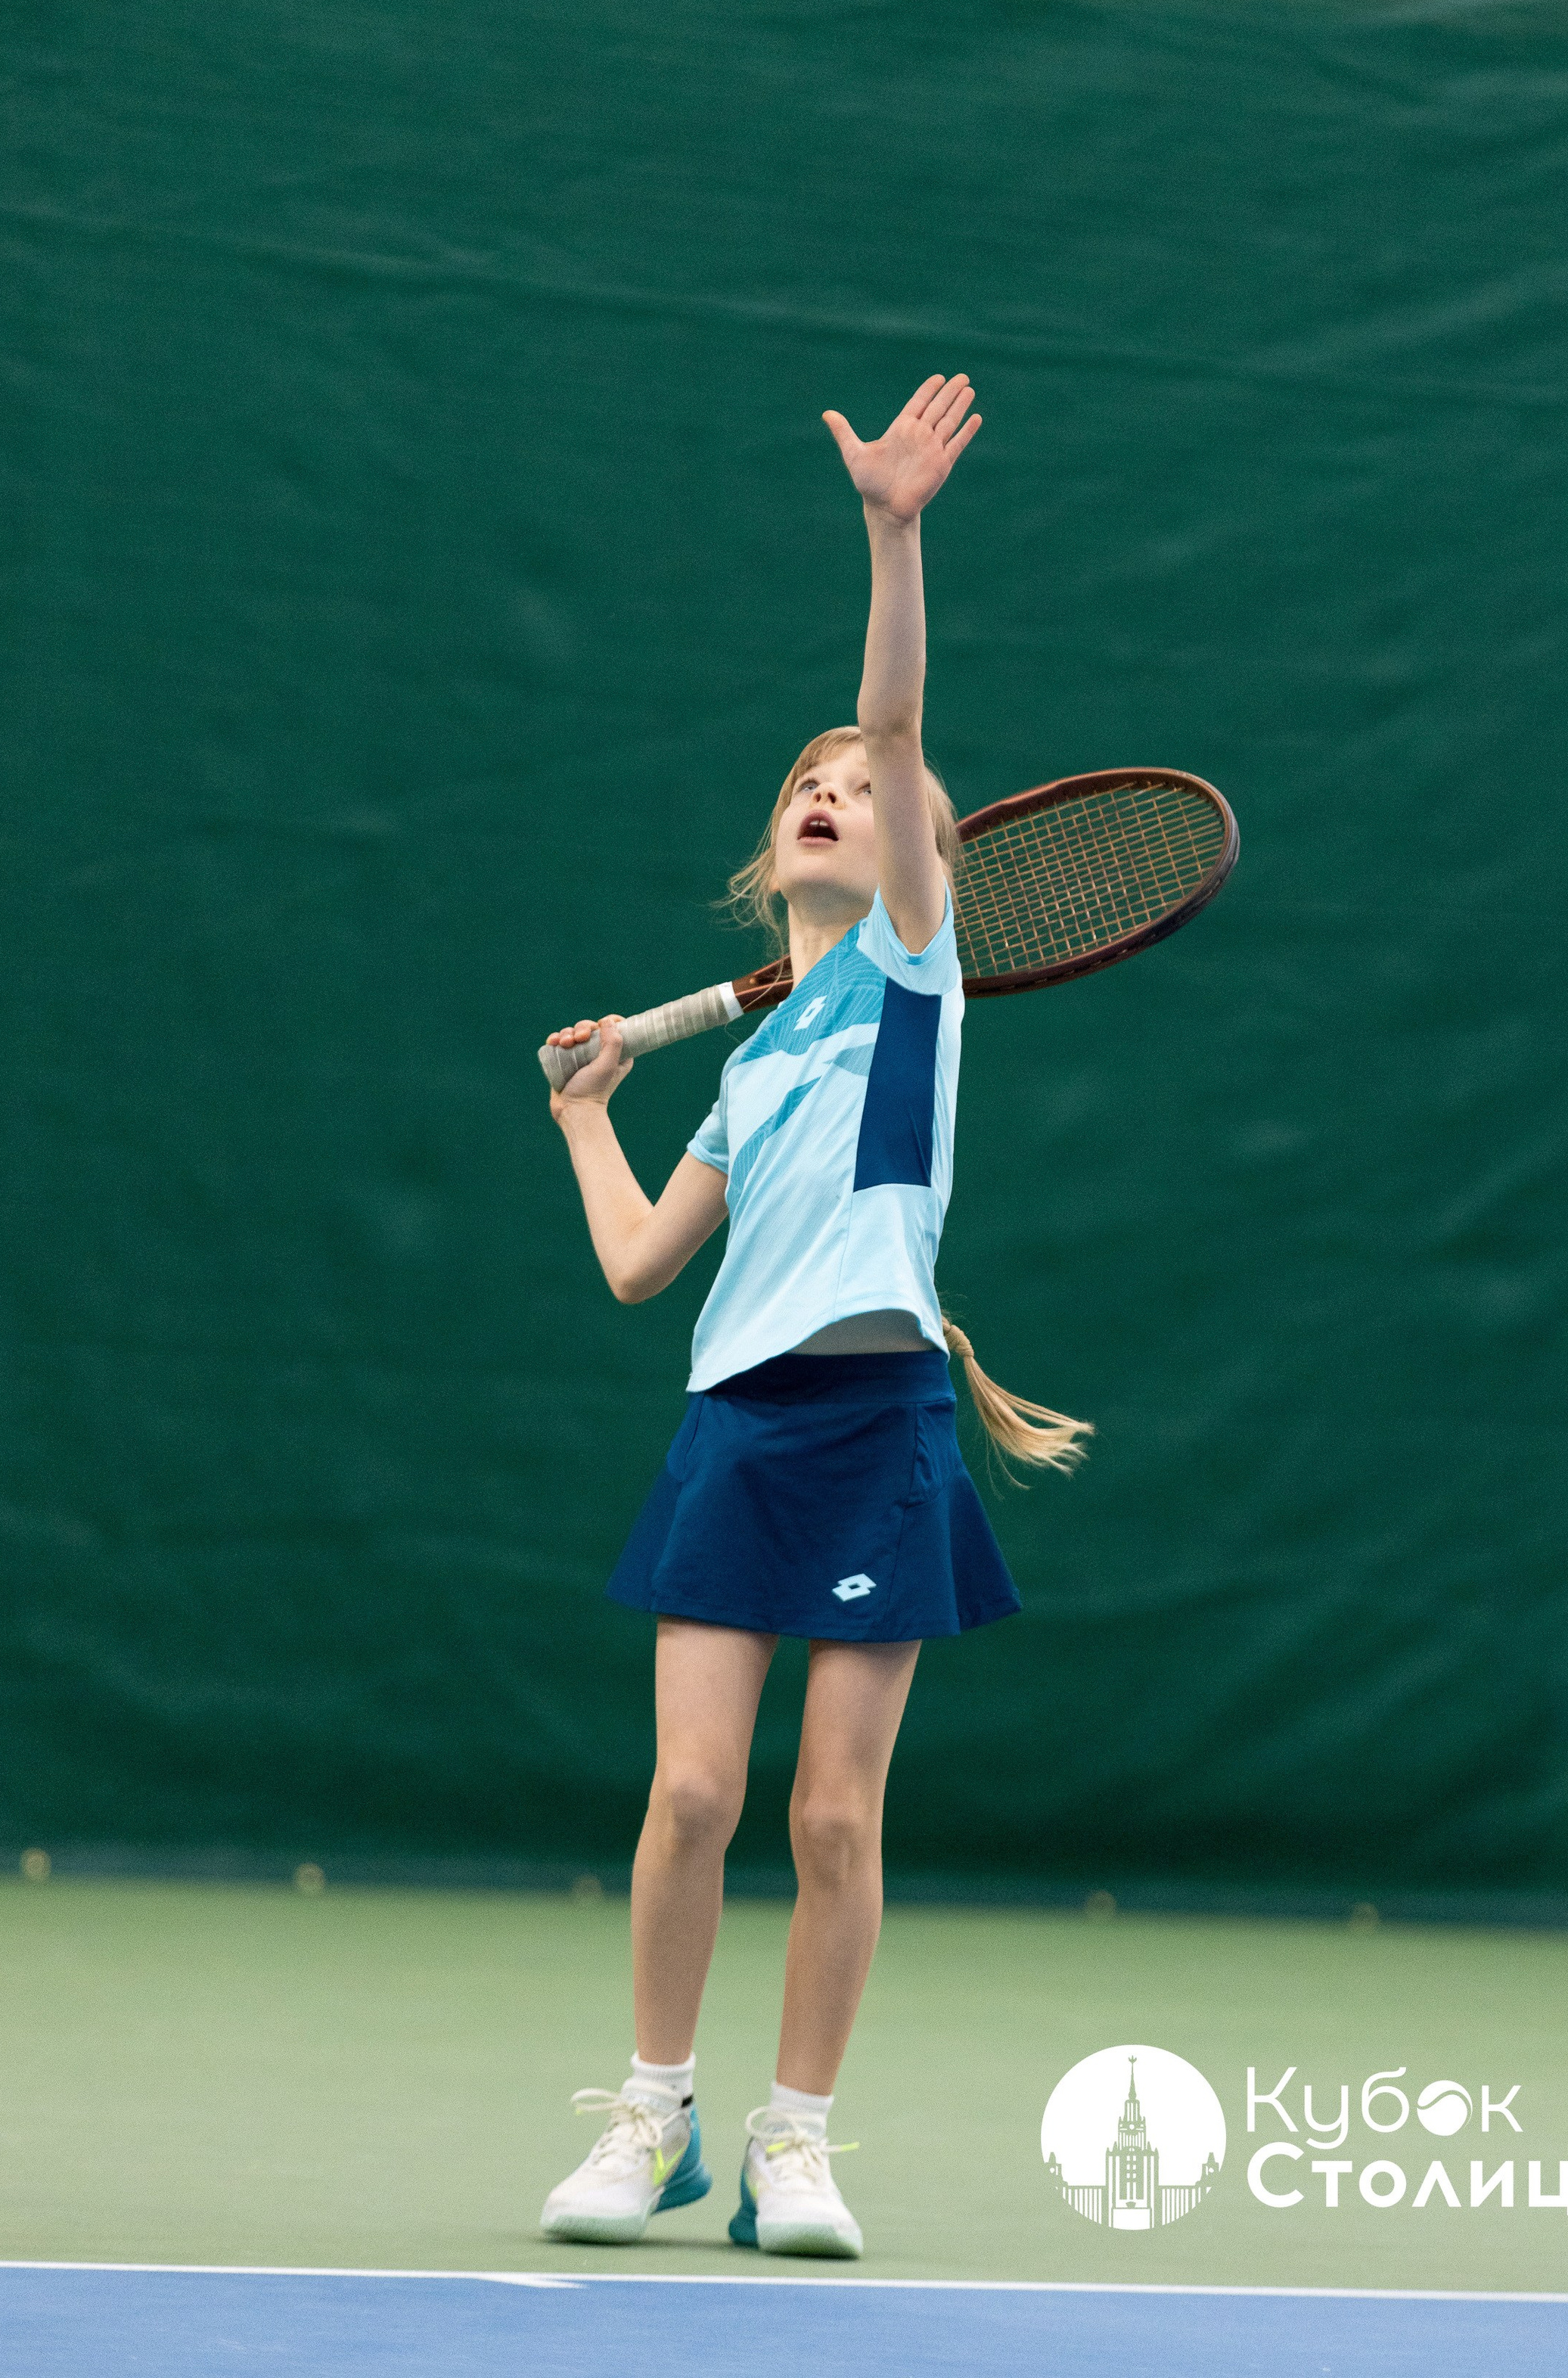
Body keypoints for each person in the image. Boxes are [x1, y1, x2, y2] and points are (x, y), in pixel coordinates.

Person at [538, 371, 1091, 2261]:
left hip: (879, 1441)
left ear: (918, 857)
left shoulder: (917, 982)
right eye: (808, 785)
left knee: (830, 1820)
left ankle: (796, 2139)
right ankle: (653, 2115)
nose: (832, 789)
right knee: (690, 1792)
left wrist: (892, 528)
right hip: (737, 1430)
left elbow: (897, 708)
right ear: (773, 844)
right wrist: (585, 1118)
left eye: (864, 790)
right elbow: (636, 1269)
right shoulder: (756, 1068)